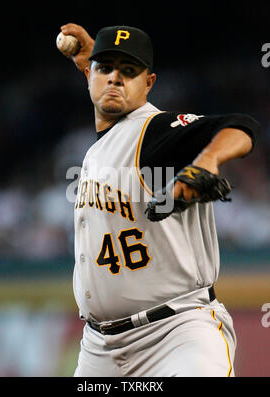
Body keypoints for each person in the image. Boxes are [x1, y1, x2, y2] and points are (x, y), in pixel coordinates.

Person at [60, 23, 260, 377]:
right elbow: (107, 94)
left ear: (149, 83)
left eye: (129, 71)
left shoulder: (155, 131)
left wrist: (206, 161)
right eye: (105, 68)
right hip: (99, 350)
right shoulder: (101, 146)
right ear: (89, 74)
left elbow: (240, 127)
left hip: (176, 333)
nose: (115, 79)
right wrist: (92, 63)